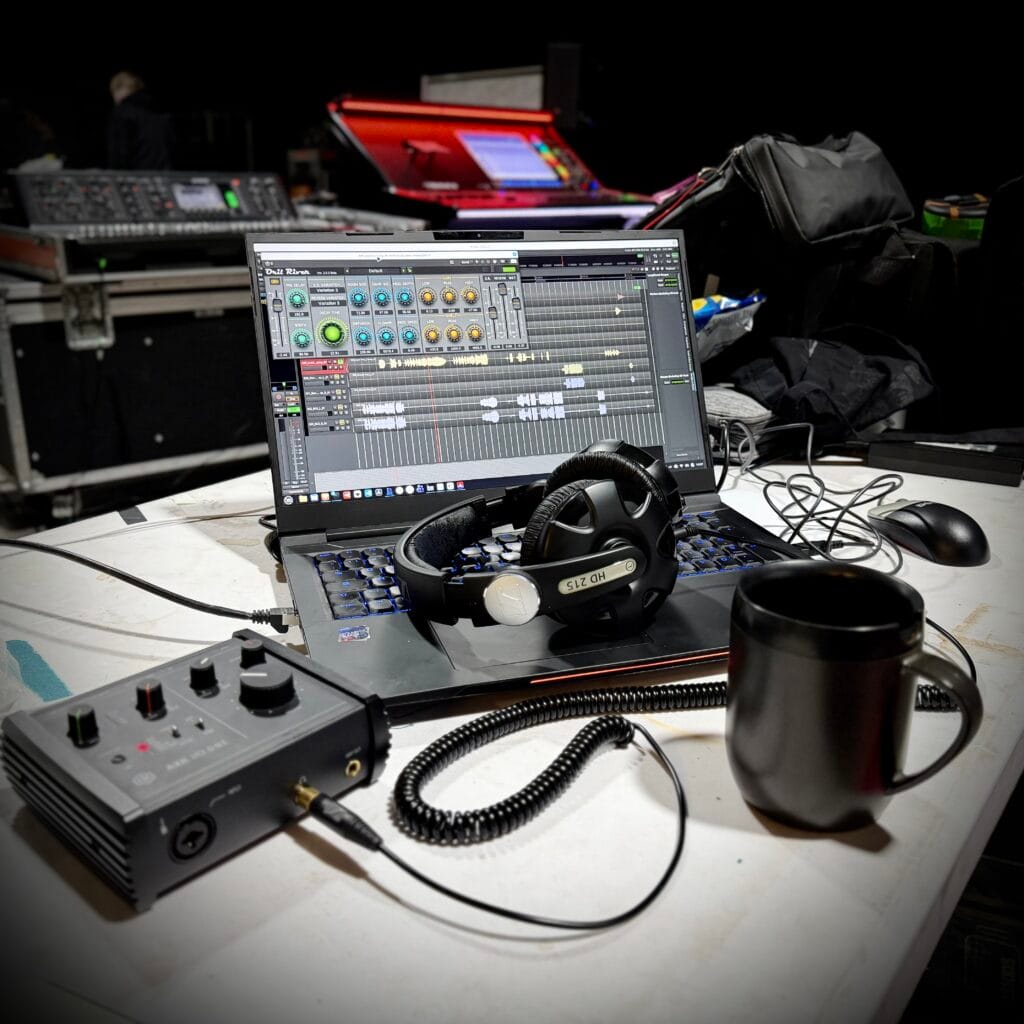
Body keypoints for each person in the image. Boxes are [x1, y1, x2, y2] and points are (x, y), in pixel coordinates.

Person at [107, 71, 174, 169]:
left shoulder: (123, 112)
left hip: (137, 175)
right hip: (165, 174)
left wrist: (116, 174)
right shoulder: (159, 110)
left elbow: (119, 153)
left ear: (118, 89)